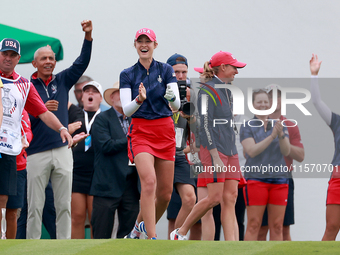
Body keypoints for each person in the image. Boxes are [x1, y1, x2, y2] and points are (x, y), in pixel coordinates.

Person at [26, 20, 92, 239]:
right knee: (35, 205)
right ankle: (31, 247)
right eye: (43, 58)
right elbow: (24, 120)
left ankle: (63, 247)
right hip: (36, 152)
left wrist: (88, 37)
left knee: (64, 204)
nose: (48, 61)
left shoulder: (62, 80)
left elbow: (81, 63)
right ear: (34, 64)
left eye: (51, 58)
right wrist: (41, 109)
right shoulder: (26, 86)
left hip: (63, 150)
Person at [0, 37, 73, 234]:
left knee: (12, 206)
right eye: (4, 54)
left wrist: (62, 129)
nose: (8, 58)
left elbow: (43, 112)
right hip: (13, 151)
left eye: (12, 55)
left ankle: (7, 246)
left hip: (11, 149)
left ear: (18, 59)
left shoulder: (24, 85)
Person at [171, 51, 246, 241]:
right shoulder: (207, 90)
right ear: (222, 68)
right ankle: (180, 232)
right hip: (215, 150)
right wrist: (214, 155)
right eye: (233, 67)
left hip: (230, 149)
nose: (236, 71)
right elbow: (204, 124)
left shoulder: (227, 90)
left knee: (230, 198)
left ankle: (232, 247)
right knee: (214, 198)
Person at [120, 28, 180, 239]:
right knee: (149, 182)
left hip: (164, 131)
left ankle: (138, 227)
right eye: (140, 41)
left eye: (148, 41)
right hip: (141, 131)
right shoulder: (127, 74)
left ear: (155, 45)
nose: (144, 45)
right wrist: (139, 100)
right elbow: (126, 110)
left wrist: (172, 97)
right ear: (135, 44)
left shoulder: (166, 70)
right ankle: (152, 238)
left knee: (165, 194)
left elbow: (177, 104)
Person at [90, 82, 140, 238]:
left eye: (128, 93)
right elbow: (106, 145)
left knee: (129, 237)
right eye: (120, 93)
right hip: (107, 184)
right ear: (112, 98)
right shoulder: (101, 119)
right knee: (101, 234)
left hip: (131, 185)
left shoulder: (137, 119)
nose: (125, 97)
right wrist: (132, 138)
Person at [241, 89, 290, 241]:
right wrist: (272, 136)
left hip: (280, 180)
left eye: (266, 102)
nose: (263, 105)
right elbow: (251, 151)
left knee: (277, 225)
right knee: (254, 224)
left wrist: (281, 135)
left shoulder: (280, 125)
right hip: (256, 180)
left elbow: (286, 150)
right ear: (253, 105)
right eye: (259, 102)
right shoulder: (247, 126)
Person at [257, 84, 305, 241]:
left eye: (278, 96)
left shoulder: (291, 125)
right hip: (261, 178)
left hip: (284, 178)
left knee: (283, 228)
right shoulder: (257, 123)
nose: (274, 100)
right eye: (270, 96)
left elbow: (300, 155)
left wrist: (282, 139)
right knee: (260, 228)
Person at [165, 54, 200, 240]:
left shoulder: (191, 94)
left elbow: (197, 130)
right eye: (176, 72)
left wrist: (190, 115)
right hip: (159, 154)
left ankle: (174, 241)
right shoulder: (160, 90)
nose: (180, 76)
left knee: (189, 198)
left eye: (184, 72)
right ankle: (143, 238)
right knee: (156, 201)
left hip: (179, 154)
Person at [309, 54, 340, 241]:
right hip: (338, 179)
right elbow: (316, 102)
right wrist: (314, 75)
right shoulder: (336, 121)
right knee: (332, 227)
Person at [69, 81, 103, 239]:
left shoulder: (105, 117)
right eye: (86, 91)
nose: (90, 94)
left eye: (94, 91)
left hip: (98, 174)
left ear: (101, 98)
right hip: (77, 172)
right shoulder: (74, 114)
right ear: (81, 97)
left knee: (96, 219)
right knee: (77, 217)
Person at [5, 110, 32, 239]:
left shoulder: (20, 109)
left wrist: (24, 140)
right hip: (3, 163)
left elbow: (27, 131)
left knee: (13, 212)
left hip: (18, 166)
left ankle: (8, 247)